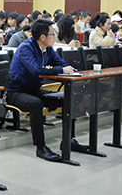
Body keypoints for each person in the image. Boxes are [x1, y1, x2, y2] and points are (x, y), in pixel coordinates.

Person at [4, 19, 77, 162]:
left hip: (35, 90)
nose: (55, 37)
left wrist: (68, 69)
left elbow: (63, 65)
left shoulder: (48, 49)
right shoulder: (26, 48)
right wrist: (59, 70)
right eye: (52, 34)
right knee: (35, 104)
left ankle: (69, 141)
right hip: (15, 92)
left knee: (68, 98)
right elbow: (36, 70)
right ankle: (40, 147)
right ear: (42, 37)